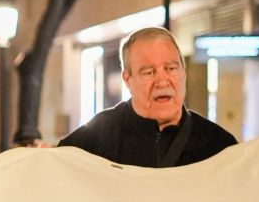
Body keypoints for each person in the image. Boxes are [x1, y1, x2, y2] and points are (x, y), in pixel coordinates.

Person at [57, 27, 236, 168]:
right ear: (128, 79)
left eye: (171, 69)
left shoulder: (217, 144)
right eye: (149, 72)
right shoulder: (96, 138)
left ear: (183, 72)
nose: (162, 81)